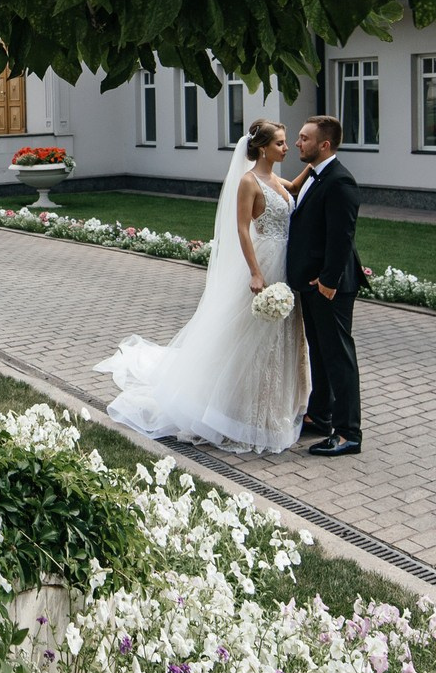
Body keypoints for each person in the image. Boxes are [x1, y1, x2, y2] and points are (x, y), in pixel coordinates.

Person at [94, 119, 310, 453]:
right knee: (247, 338)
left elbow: (293, 189)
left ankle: (270, 409)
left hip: (284, 263)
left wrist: (317, 165)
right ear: (263, 147)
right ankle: (233, 412)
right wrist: (255, 272)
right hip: (263, 261)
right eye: (280, 143)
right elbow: (241, 229)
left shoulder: (276, 180)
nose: (286, 148)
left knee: (275, 339)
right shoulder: (249, 181)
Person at [285, 115, 363, 456]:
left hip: (329, 286)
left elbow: (342, 235)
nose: (298, 143)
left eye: (304, 138)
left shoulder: (340, 181)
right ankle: (321, 414)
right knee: (319, 351)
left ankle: (349, 434)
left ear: (324, 145)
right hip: (313, 284)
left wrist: (330, 280)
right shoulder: (318, 176)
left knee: (338, 357)